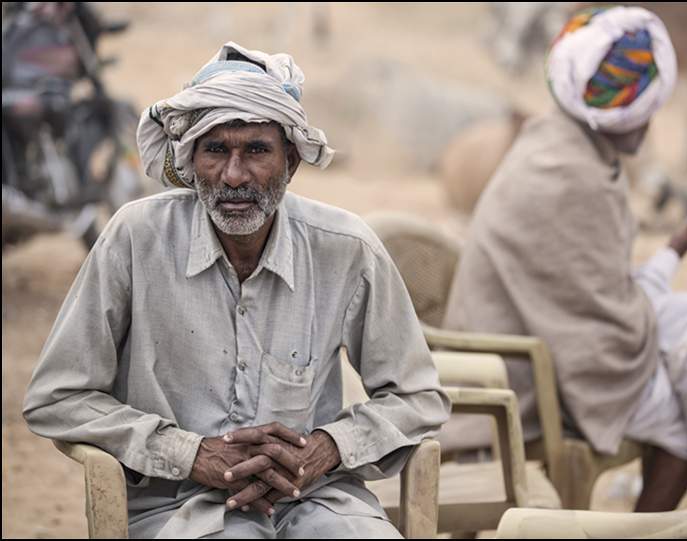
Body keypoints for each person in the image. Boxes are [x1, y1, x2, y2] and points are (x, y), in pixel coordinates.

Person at [23, 42, 450, 539]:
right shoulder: (135, 239)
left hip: (316, 498)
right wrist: (189, 453)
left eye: (256, 150)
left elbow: (419, 397)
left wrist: (328, 447)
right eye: (216, 150)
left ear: (290, 163)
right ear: (190, 160)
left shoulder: (345, 248)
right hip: (177, 505)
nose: (233, 175)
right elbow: (56, 397)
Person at [441, 7, 687, 537]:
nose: (650, 121)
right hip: (520, 388)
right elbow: (612, 319)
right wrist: (679, 249)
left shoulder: (560, 141)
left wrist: (680, 243)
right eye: (644, 109)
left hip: (543, 351)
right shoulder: (571, 177)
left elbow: (603, 299)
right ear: (618, 114)